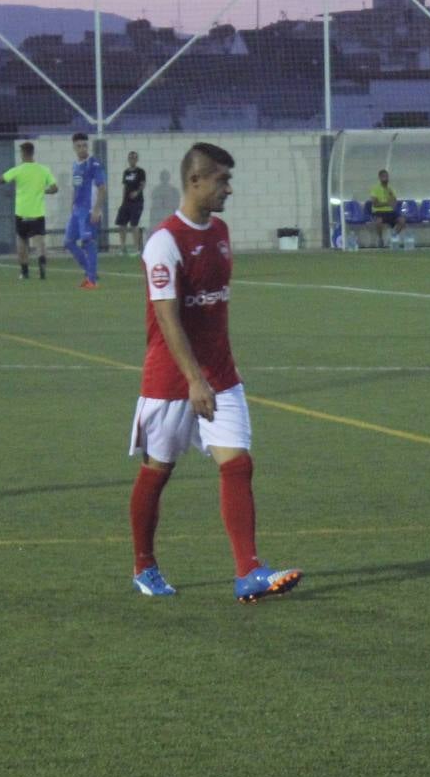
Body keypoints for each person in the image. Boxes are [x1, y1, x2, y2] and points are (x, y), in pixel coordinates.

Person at [127, 142, 302, 603]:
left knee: (238, 463)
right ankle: (144, 565)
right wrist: (193, 380)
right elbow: (167, 318)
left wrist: (213, 374)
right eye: (222, 180)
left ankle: (249, 572)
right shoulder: (164, 242)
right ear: (195, 181)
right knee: (157, 472)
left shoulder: (221, 231)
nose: (229, 188)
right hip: (171, 381)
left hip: (221, 376)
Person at [0, 141, 57, 280]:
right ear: (33, 153)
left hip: (22, 212)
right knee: (39, 241)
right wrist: (43, 191)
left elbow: (1, 180)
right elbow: (54, 188)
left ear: (23, 153)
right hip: (38, 213)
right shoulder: (43, 170)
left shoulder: (18, 170)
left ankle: (25, 271)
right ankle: (41, 261)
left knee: (22, 241)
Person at [65, 132, 107, 289]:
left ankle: (92, 281)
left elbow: (102, 188)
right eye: (79, 146)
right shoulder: (75, 165)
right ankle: (91, 272)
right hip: (77, 210)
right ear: (74, 147)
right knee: (68, 242)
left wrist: (97, 210)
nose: (82, 148)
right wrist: (72, 205)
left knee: (88, 242)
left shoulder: (94, 164)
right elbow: (76, 187)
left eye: (85, 145)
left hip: (89, 210)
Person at [115, 150, 146, 256]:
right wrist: (123, 201)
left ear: (137, 159)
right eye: (131, 158)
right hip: (126, 202)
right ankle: (123, 247)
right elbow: (125, 186)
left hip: (137, 203)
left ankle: (137, 249)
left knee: (134, 224)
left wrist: (137, 192)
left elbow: (142, 184)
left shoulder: (140, 171)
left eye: (134, 158)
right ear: (128, 159)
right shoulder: (126, 172)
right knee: (121, 224)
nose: (132, 160)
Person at [370, 169, 406, 247]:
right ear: (379, 178)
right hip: (378, 212)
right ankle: (380, 239)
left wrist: (390, 199)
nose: (385, 178)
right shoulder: (375, 189)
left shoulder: (391, 189)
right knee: (378, 221)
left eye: (386, 176)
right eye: (383, 177)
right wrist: (386, 203)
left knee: (402, 221)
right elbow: (375, 204)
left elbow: (394, 204)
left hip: (390, 211)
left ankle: (393, 238)